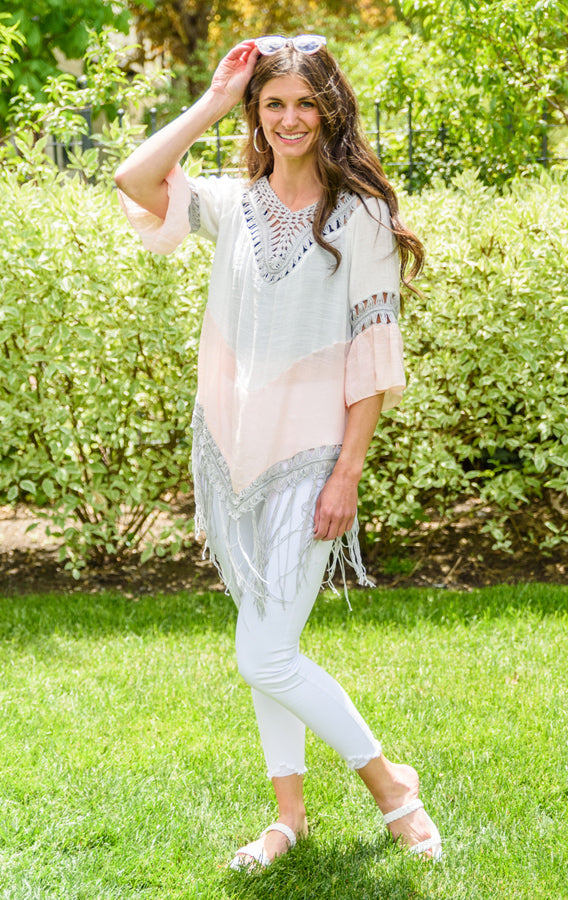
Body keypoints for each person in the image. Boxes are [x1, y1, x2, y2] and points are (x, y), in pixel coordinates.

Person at [115, 34, 442, 869]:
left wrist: (348, 472)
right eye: (275, 105)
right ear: (259, 116)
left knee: (263, 652)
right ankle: (288, 819)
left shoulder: (359, 216)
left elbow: (374, 348)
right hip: (235, 462)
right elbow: (134, 178)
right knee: (272, 652)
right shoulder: (230, 203)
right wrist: (216, 99)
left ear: (328, 111)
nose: (291, 119)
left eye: (305, 103)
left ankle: (392, 785)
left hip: (312, 462)